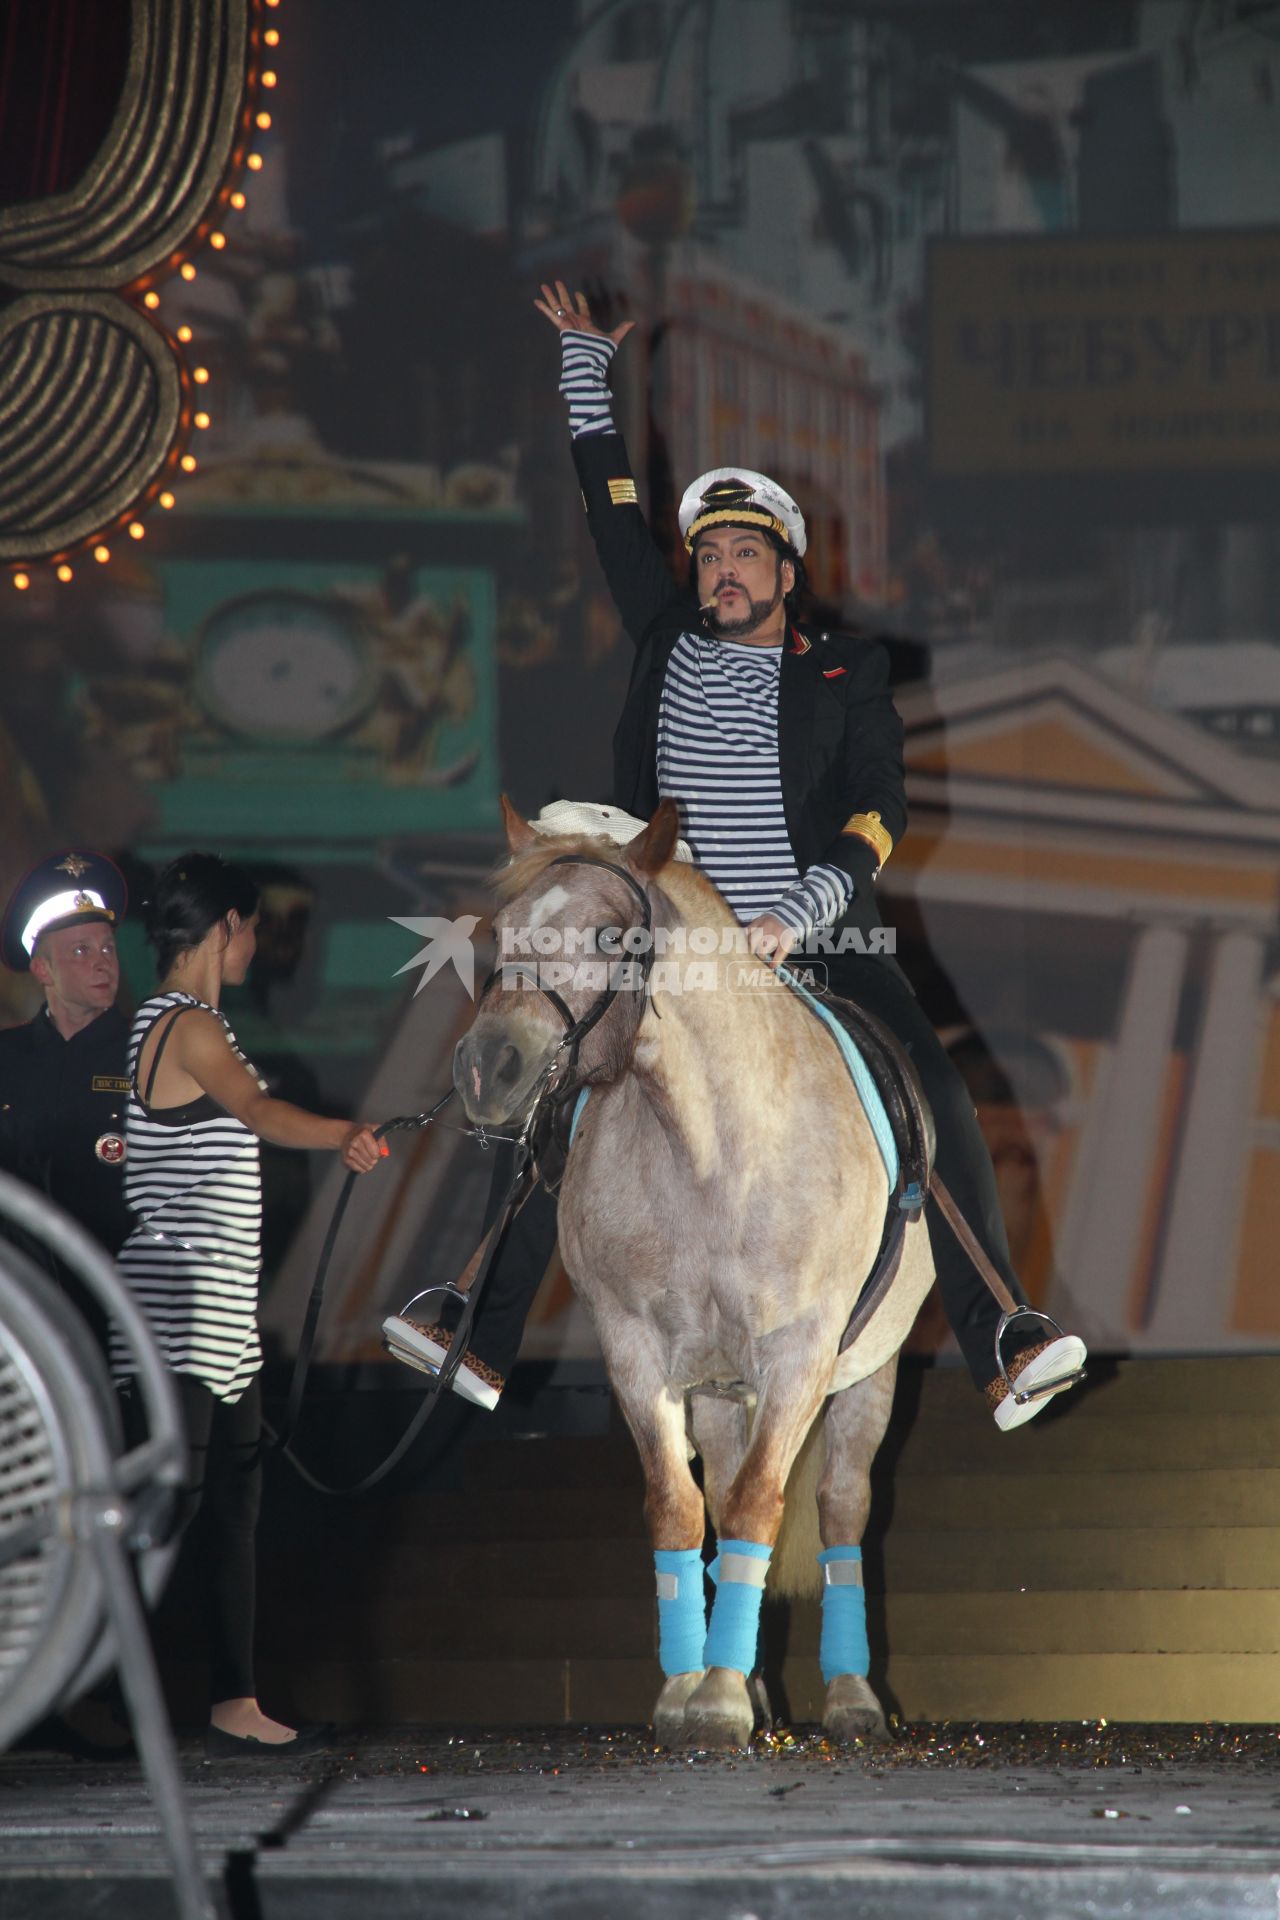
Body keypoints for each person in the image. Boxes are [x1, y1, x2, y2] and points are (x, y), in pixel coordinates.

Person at [403, 279, 1085, 1433]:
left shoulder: (846, 673)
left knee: (934, 1097)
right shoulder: (664, 635)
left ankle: (1002, 1334)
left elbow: (878, 811)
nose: (718, 568)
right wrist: (583, 366)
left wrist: (801, 913)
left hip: (815, 935)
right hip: (665, 949)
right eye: (707, 549)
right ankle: (472, 1315)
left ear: (785, 572)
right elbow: (609, 509)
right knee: (549, 1079)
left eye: (742, 553)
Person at [114, 851, 383, 1755]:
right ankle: (103, 1694)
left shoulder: (188, 1022)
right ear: (225, 926)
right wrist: (344, 1133)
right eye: (252, 925)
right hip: (177, 1312)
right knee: (170, 1511)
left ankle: (234, 1700)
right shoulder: (187, 1024)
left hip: (220, 1318)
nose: (259, 943)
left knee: (231, 1513)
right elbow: (262, 1116)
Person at [0, 851, 133, 1348]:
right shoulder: (6, 1058)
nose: (101, 963)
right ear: (42, 969)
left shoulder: (154, 1056)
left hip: (126, 1318)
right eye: (80, 951)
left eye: (108, 949)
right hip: (23, 1316)